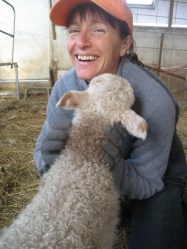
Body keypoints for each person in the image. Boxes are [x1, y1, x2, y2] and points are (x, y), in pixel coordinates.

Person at [34, 0, 187, 248]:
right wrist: (52, 163)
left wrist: (107, 165)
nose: (81, 41)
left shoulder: (155, 100)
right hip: (98, 173)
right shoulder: (65, 88)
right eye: (74, 29)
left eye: (98, 29)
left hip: (154, 176)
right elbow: (43, 148)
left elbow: (146, 182)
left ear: (124, 44)